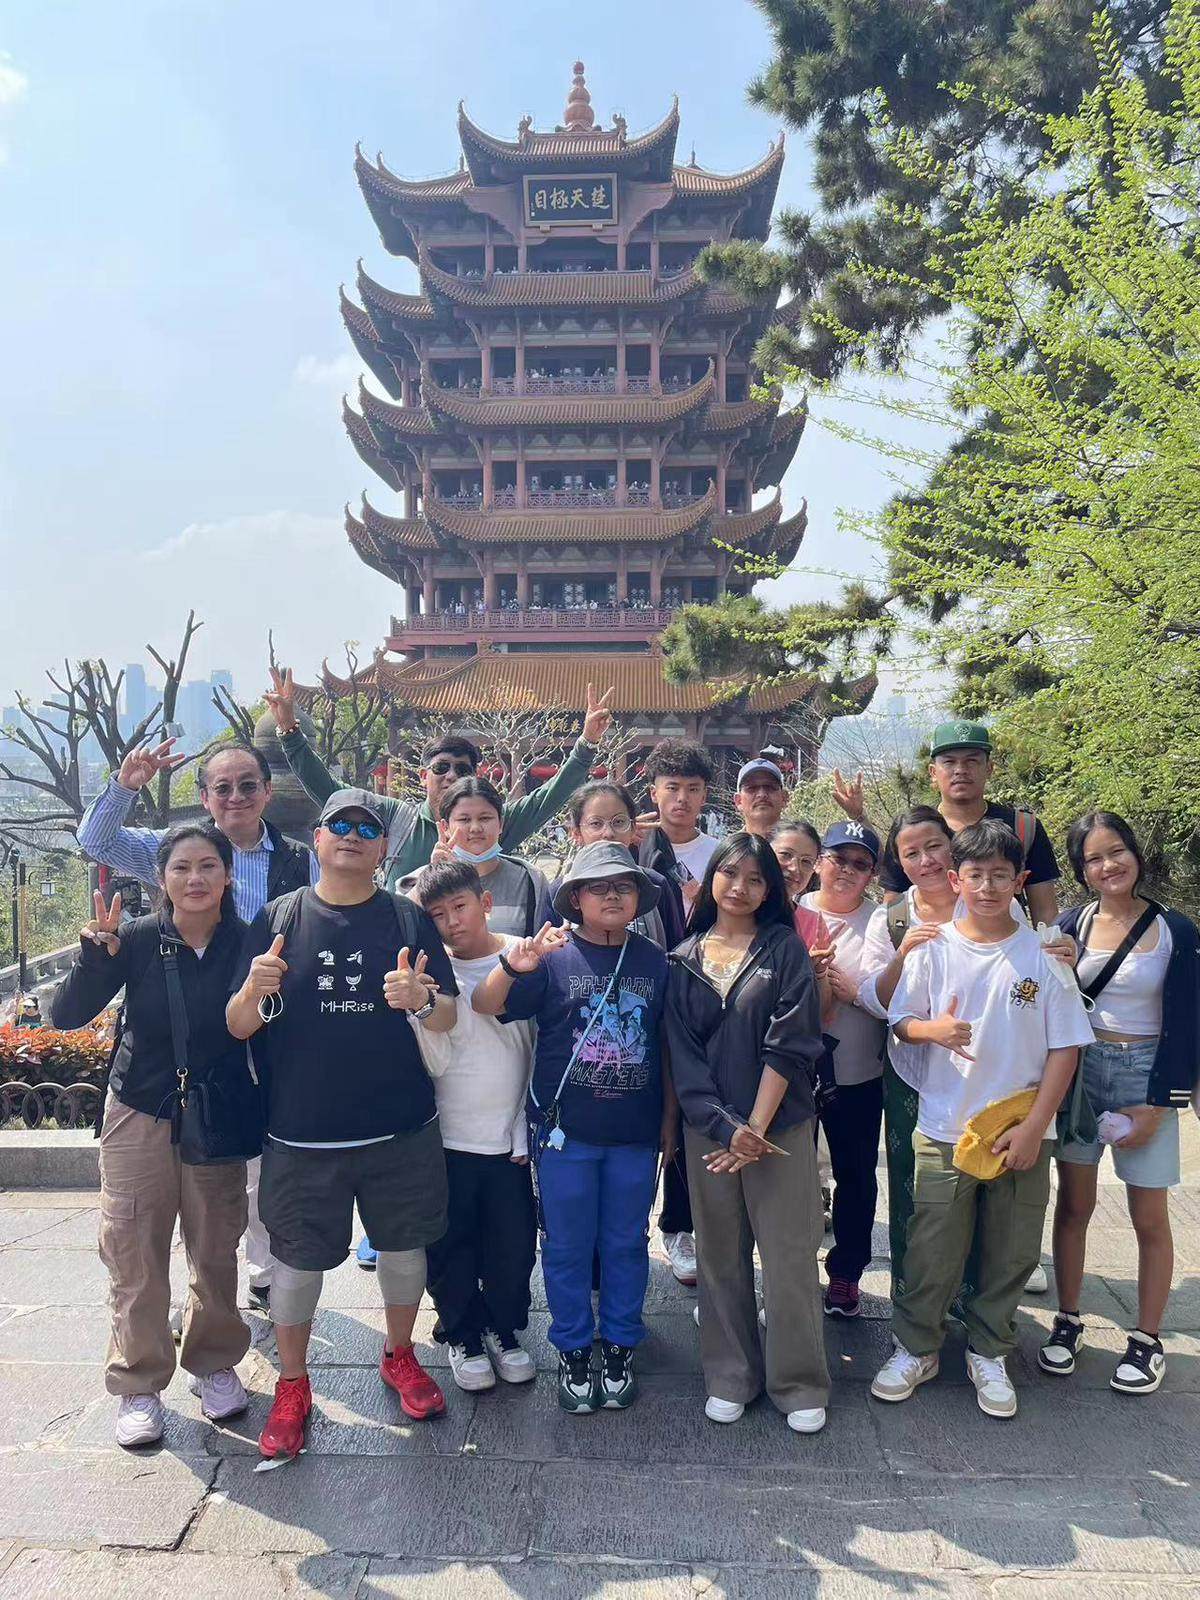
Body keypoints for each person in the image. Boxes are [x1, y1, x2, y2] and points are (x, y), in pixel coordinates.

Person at [226, 788, 458, 1460]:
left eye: (367, 828)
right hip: (301, 1133)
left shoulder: (409, 919)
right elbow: (237, 1025)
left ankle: (399, 1354)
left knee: (405, 1249)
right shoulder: (281, 916)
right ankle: (294, 1383)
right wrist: (252, 991)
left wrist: (421, 1001)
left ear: (385, 849)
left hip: (400, 1127)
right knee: (296, 1264)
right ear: (318, 840)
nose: (352, 836)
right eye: (339, 826)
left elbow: (447, 1019)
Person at [77, 738, 316, 1314]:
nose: (236, 797)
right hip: (192, 1041)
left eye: (248, 785)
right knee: (201, 1172)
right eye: (223, 787)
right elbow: (94, 841)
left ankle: (259, 1276)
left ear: (267, 791)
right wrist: (124, 786)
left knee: (262, 1159)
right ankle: (209, 1294)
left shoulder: (299, 857)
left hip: (275, 1024)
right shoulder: (176, 851)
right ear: (205, 796)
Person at [873, 820, 1093, 1419]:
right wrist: (932, 1030)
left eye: (1002, 875)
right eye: (977, 875)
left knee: (1011, 1246)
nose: (989, 887)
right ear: (955, 879)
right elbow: (900, 1022)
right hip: (944, 1126)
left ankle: (990, 1349)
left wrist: (1035, 1128)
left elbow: (1066, 1047)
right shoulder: (934, 947)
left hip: (1021, 1129)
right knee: (931, 1246)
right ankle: (917, 1346)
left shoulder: (1043, 956)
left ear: (1021, 881)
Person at [50, 824, 255, 1448]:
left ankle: (214, 1363)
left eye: (207, 867)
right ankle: (139, 1381)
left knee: (216, 1243)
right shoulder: (136, 940)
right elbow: (64, 1015)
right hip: (140, 1107)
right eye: (181, 868)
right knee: (134, 1245)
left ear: (227, 876)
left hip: (217, 1114)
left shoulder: (249, 944)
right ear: (161, 879)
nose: (194, 879)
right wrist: (95, 955)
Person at [472, 842, 673, 1415]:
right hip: (566, 1133)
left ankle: (620, 1345)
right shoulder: (554, 958)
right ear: (575, 898)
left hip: (635, 1134)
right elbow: (487, 1005)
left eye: (623, 886)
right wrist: (516, 963)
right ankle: (573, 1347)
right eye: (598, 887)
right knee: (565, 1246)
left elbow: (665, 1048)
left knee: (627, 1245)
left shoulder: (655, 961)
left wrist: (669, 1124)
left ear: (638, 898)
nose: (612, 895)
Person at [665, 832, 829, 1435]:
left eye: (756, 879)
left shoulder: (784, 948)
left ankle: (800, 1381)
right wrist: (723, 1127)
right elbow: (682, 1059)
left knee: (787, 1256)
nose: (741, 888)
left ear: (771, 890)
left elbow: (792, 1042)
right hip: (710, 1131)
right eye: (729, 874)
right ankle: (730, 1373)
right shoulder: (682, 959)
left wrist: (755, 1128)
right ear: (711, 880)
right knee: (719, 1257)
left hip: (779, 1127)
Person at [1040, 812, 1200, 1395]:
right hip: (1082, 1072)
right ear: (1082, 870)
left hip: (1145, 1073)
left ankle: (1148, 1338)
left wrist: (1160, 1105)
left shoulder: (1175, 929)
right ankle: (1068, 1319)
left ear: (1134, 854)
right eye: (1094, 858)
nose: (1109, 866)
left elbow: (1188, 1023)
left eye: (1117, 852)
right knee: (1075, 1205)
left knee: (1148, 1215)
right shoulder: (1069, 924)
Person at [265, 667, 615, 889]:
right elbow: (330, 792)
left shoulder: (493, 824)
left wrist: (586, 744)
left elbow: (549, 798)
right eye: (441, 767)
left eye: (462, 769)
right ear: (423, 776)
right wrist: (289, 731)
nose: (451, 776)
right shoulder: (395, 817)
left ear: (476, 776)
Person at [414, 861, 538, 1392]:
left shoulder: (524, 954)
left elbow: (539, 1050)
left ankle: (505, 1329)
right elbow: (434, 1061)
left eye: (459, 907)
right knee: (451, 1245)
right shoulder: (428, 972)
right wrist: (420, 1005)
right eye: (437, 915)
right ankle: (463, 1334)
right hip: (447, 1138)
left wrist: (523, 1126)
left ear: (484, 903)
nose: (451, 923)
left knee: (512, 1247)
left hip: (509, 1140)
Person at [566, 780, 689, 1280]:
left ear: (635, 829)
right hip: (577, 1075)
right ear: (575, 832)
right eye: (595, 823)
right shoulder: (565, 892)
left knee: (625, 1207)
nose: (607, 831)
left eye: (618, 821)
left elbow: (677, 974)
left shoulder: (657, 892)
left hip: (639, 1063)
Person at [857, 807, 959, 1300]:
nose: (926, 860)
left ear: (952, 845)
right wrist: (903, 955)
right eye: (911, 852)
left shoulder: (988, 901)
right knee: (911, 1187)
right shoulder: (893, 918)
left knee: (973, 1185)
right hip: (911, 1071)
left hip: (978, 1069)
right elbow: (873, 999)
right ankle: (910, 1296)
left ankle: (968, 1300)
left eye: (934, 846)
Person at [799, 822, 887, 1319]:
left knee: (856, 1176)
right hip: (792, 1073)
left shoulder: (881, 922)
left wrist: (850, 990)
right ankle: (790, 1271)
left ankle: (847, 1274)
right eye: (838, 858)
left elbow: (893, 1000)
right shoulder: (792, 911)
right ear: (819, 861)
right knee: (792, 1177)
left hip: (857, 1071)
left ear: (872, 873)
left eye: (860, 864)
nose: (846, 871)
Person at [859, 722, 1061, 928]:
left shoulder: (1023, 826)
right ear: (933, 772)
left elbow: (1045, 909)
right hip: (927, 948)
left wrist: (1052, 949)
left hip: (1004, 949)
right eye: (949, 762)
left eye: (972, 761)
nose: (960, 770)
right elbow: (894, 907)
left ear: (989, 768)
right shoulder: (914, 832)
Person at [423, 775, 556, 936]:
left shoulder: (530, 879)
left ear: (500, 824)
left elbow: (545, 943)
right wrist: (435, 875)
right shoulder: (420, 882)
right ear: (445, 827)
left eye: (485, 818)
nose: (475, 828)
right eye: (464, 819)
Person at [637, 739, 716, 923]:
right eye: (672, 788)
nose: (682, 798)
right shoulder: (635, 846)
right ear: (654, 793)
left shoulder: (719, 854)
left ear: (704, 796)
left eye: (693, 789)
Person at [733, 757, 789, 840]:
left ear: (784, 798)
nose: (762, 794)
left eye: (770, 787)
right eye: (752, 788)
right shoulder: (730, 850)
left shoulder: (802, 846)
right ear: (738, 801)